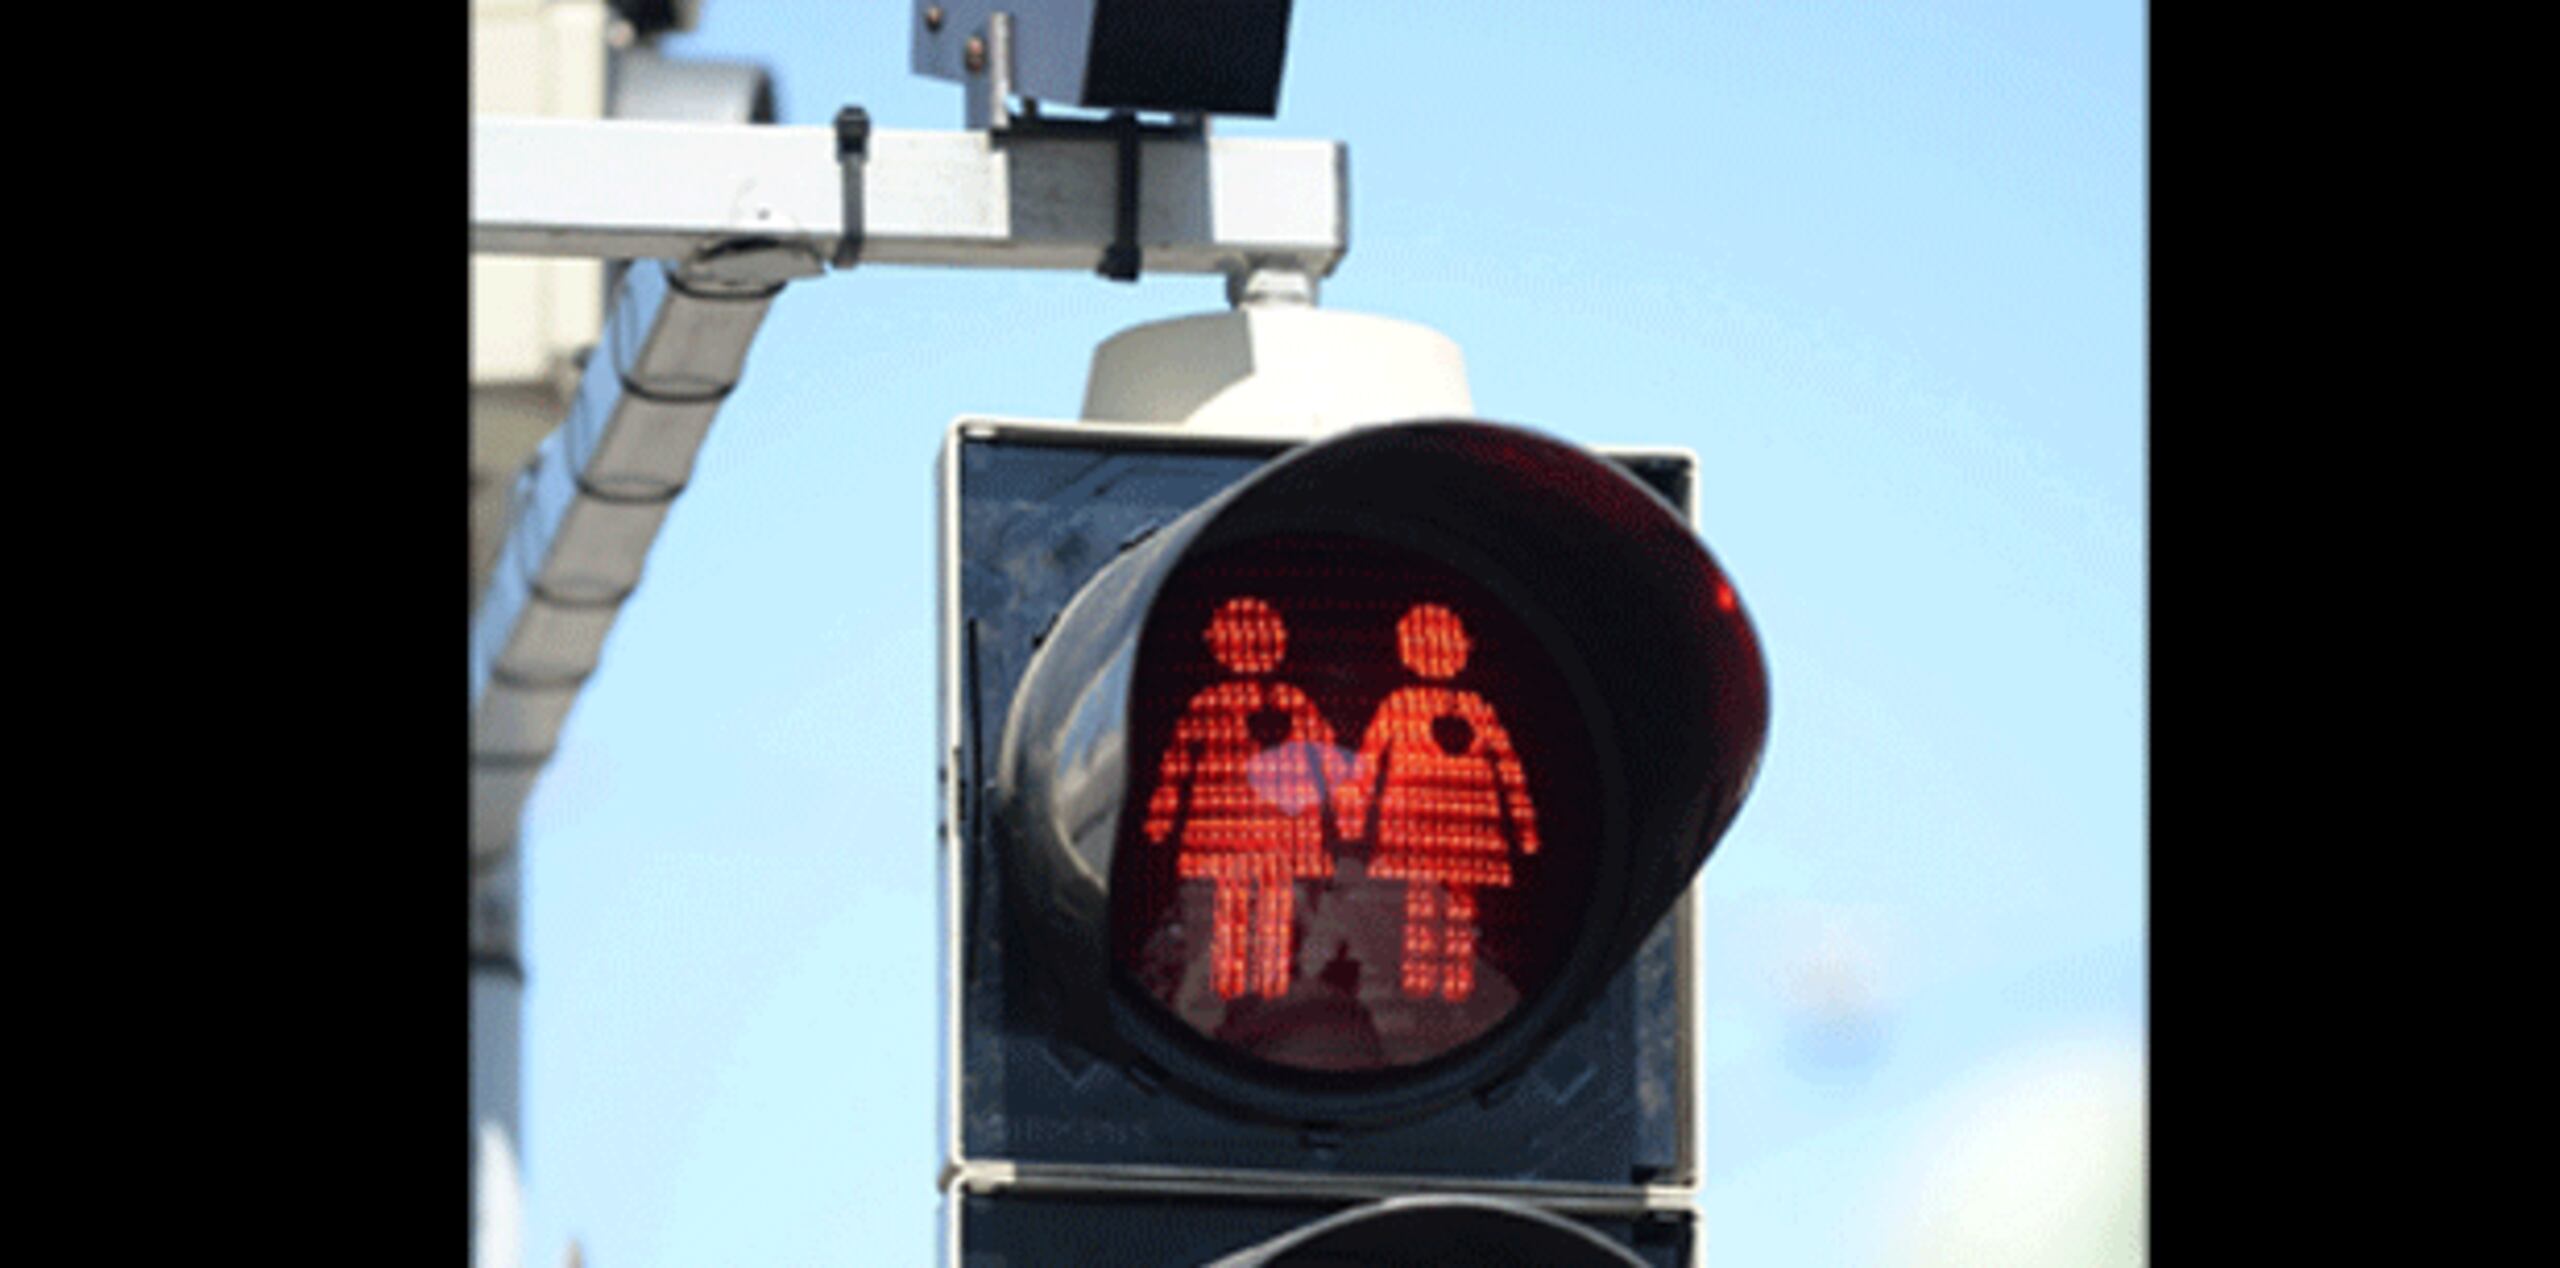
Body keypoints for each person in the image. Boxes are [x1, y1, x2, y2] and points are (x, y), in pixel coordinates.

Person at [1141, 596, 1346, 1000]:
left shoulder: (1291, 704)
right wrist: (1162, 818)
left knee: (1271, 912)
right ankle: (1239, 988)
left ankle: (1262, 988)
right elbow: (1179, 763)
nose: (1252, 650)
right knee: (1236, 911)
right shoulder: (1210, 706)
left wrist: (1345, 812)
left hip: (1266, 835)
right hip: (1242, 834)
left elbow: (1328, 761)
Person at [1338, 603, 1540, 1002]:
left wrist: (1526, 832)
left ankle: (1448, 987)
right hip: (1442, 837)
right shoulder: (1404, 707)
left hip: (1453, 838)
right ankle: (1428, 987)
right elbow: (1368, 764)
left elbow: (1509, 771)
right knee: (1425, 910)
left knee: (1451, 912)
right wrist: (1352, 817)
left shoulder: (1474, 711)